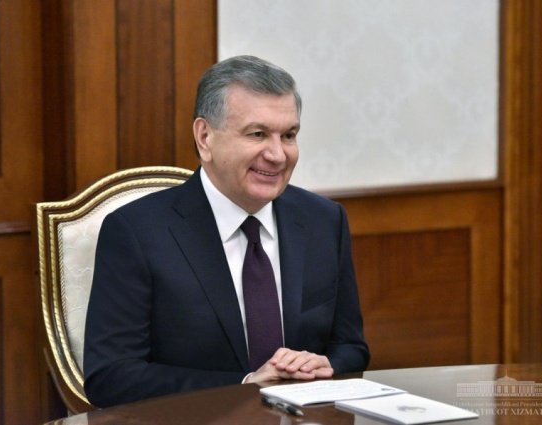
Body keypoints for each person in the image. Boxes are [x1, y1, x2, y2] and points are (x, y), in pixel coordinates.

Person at [84, 55, 370, 408]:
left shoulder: (324, 220)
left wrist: (326, 365)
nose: (278, 155)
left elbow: (351, 349)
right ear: (205, 137)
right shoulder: (137, 232)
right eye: (257, 134)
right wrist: (245, 385)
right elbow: (111, 377)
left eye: (289, 135)